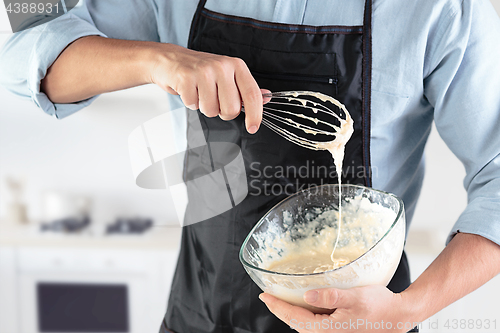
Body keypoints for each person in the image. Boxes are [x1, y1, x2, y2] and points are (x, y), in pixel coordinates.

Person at [1, 0, 500, 332]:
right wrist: (159, 59)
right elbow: (34, 53)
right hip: (200, 312)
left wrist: (404, 313)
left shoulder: (439, 8)